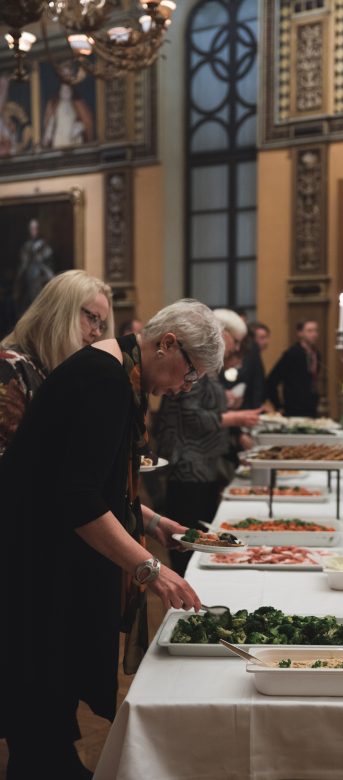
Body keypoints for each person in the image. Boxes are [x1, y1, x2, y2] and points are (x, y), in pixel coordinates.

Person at [0, 298, 224, 779]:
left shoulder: (115, 371)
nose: (183, 388)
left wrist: (155, 523)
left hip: (47, 559)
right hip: (38, 565)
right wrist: (151, 568)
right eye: (189, 374)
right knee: (41, 713)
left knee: (48, 719)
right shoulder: (104, 380)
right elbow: (78, 499)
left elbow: (99, 484)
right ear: (167, 344)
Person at [154, 308, 261, 575]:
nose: (236, 348)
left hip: (203, 462)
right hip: (188, 463)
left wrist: (226, 400)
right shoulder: (195, 363)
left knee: (200, 534)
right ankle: (185, 584)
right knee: (188, 537)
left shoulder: (207, 365)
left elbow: (204, 403)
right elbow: (191, 416)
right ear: (223, 333)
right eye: (236, 341)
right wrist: (234, 418)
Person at [0, 269, 114, 458]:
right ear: (61, 311)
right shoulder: (10, 366)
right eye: (92, 318)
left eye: (101, 324)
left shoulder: (60, 372)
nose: (97, 332)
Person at [266, 319, 321, 417]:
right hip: (293, 407)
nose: (314, 334)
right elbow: (272, 380)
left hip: (311, 406)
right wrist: (278, 405)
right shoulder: (292, 354)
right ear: (300, 333)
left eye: (316, 330)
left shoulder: (316, 354)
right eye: (309, 331)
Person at [12, 218, 54, 316]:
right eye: (31, 229)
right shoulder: (26, 245)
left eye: (35, 228)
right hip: (29, 278)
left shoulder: (44, 245)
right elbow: (23, 263)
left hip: (41, 277)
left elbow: (48, 261)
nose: (33, 231)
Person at [42, 82, 94, 149]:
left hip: (73, 141)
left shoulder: (77, 104)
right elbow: (51, 122)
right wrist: (47, 137)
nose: (65, 92)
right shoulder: (55, 105)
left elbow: (86, 121)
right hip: (59, 141)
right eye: (63, 90)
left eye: (67, 90)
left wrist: (80, 126)